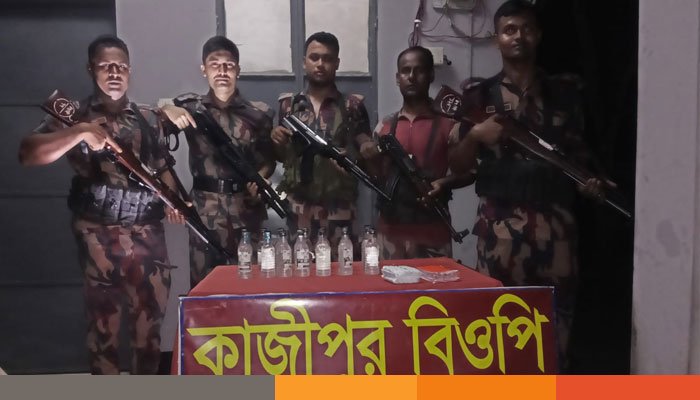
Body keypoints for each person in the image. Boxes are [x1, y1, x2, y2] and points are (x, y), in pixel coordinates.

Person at [448, 0, 606, 371]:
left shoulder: (565, 93)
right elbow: (456, 165)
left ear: (538, 35)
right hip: (499, 235)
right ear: (496, 39)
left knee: (554, 330)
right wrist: (476, 137)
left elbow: (580, 158)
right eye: (509, 30)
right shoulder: (478, 97)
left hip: (556, 234)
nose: (518, 36)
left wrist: (591, 184)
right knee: (497, 331)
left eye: (526, 29)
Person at [18, 35, 180, 374]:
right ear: (91, 69)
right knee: (103, 331)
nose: (115, 73)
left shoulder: (148, 118)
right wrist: (78, 132)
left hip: (147, 236)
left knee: (149, 331)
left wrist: (176, 201)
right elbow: (28, 153)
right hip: (99, 239)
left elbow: (162, 168)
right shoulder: (75, 115)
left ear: (130, 71)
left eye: (121, 66)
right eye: (106, 66)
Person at [160, 36, 275, 288]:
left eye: (229, 65)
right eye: (214, 64)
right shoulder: (190, 108)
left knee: (251, 285)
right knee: (205, 287)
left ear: (238, 70)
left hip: (247, 211)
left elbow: (268, 159)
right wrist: (167, 109)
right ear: (204, 70)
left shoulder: (259, 113)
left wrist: (262, 179)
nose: (222, 71)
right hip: (206, 213)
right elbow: (152, 130)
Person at [361, 46, 472, 259]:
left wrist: (443, 183)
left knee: (436, 283)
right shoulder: (384, 126)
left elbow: (469, 172)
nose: (411, 77)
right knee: (388, 283)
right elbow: (377, 178)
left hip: (432, 233)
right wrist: (367, 157)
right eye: (405, 71)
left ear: (431, 75)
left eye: (419, 70)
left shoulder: (449, 125)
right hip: (390, 234)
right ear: (397, 78)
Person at [271, 32, 372, 256]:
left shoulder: (352, 106)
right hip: (299, 212)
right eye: (314, 57)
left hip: (340, 212)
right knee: (299, 273)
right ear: (304, 62)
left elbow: (366, 154)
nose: (320, 64)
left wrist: (353, 156)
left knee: (341, 272)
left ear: (337, 63)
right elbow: (282, 156)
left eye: (327, 58)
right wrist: (276, 138)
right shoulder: (289, 105)